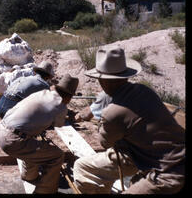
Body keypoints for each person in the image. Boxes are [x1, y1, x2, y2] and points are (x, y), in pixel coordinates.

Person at [73, 45, 185, 194]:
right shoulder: (145, 91)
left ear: (102, 81)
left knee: (81, 167)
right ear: (126, 75)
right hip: (174, 156)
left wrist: (105, 123)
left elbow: (105, 142)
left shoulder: (112, 113)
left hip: (168, 174)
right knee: (134, 181)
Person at [0, 74, 79, 194]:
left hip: (0, 130)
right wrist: (72, 117)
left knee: (34, 146)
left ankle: (29, 175)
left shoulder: (42, 93)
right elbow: (59, 125)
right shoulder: (61, 106)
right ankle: (45, 191)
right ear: (69, 96)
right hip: (12, 140)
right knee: (57, 156)